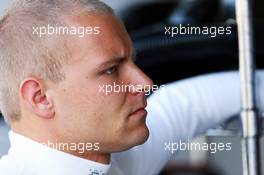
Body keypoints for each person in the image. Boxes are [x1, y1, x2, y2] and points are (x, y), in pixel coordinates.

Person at [0, 0, 264, 175]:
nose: (146, 83)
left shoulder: (115, 159)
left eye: (132, 61)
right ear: (41, 98)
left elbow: (186, 104)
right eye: (111, 70)